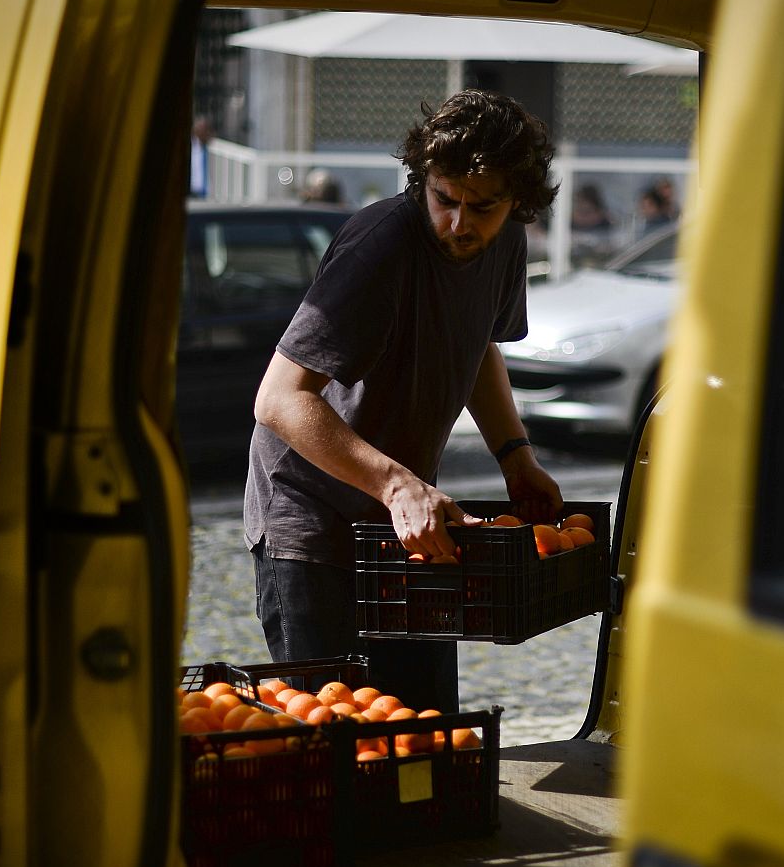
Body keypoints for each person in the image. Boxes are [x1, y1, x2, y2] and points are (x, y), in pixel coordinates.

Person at [244, 89, 564, 713]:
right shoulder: (380, 247)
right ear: (424, 179)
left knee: (425, 728)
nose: (460, 223)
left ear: (517, 202)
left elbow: (477, 351)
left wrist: (516, 459)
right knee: (339, 733)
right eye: (445, 199)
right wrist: (396, 485)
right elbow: (279, 399)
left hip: (412, 528)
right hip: (312, 524)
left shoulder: (505, 245)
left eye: (484, 207)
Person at [189, 116, 214, 199]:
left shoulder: (211, 149)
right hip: (193, 192)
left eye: (207, 130)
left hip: (207, 195)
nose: (205, 133)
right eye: (201, 129)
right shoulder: (192, 147)